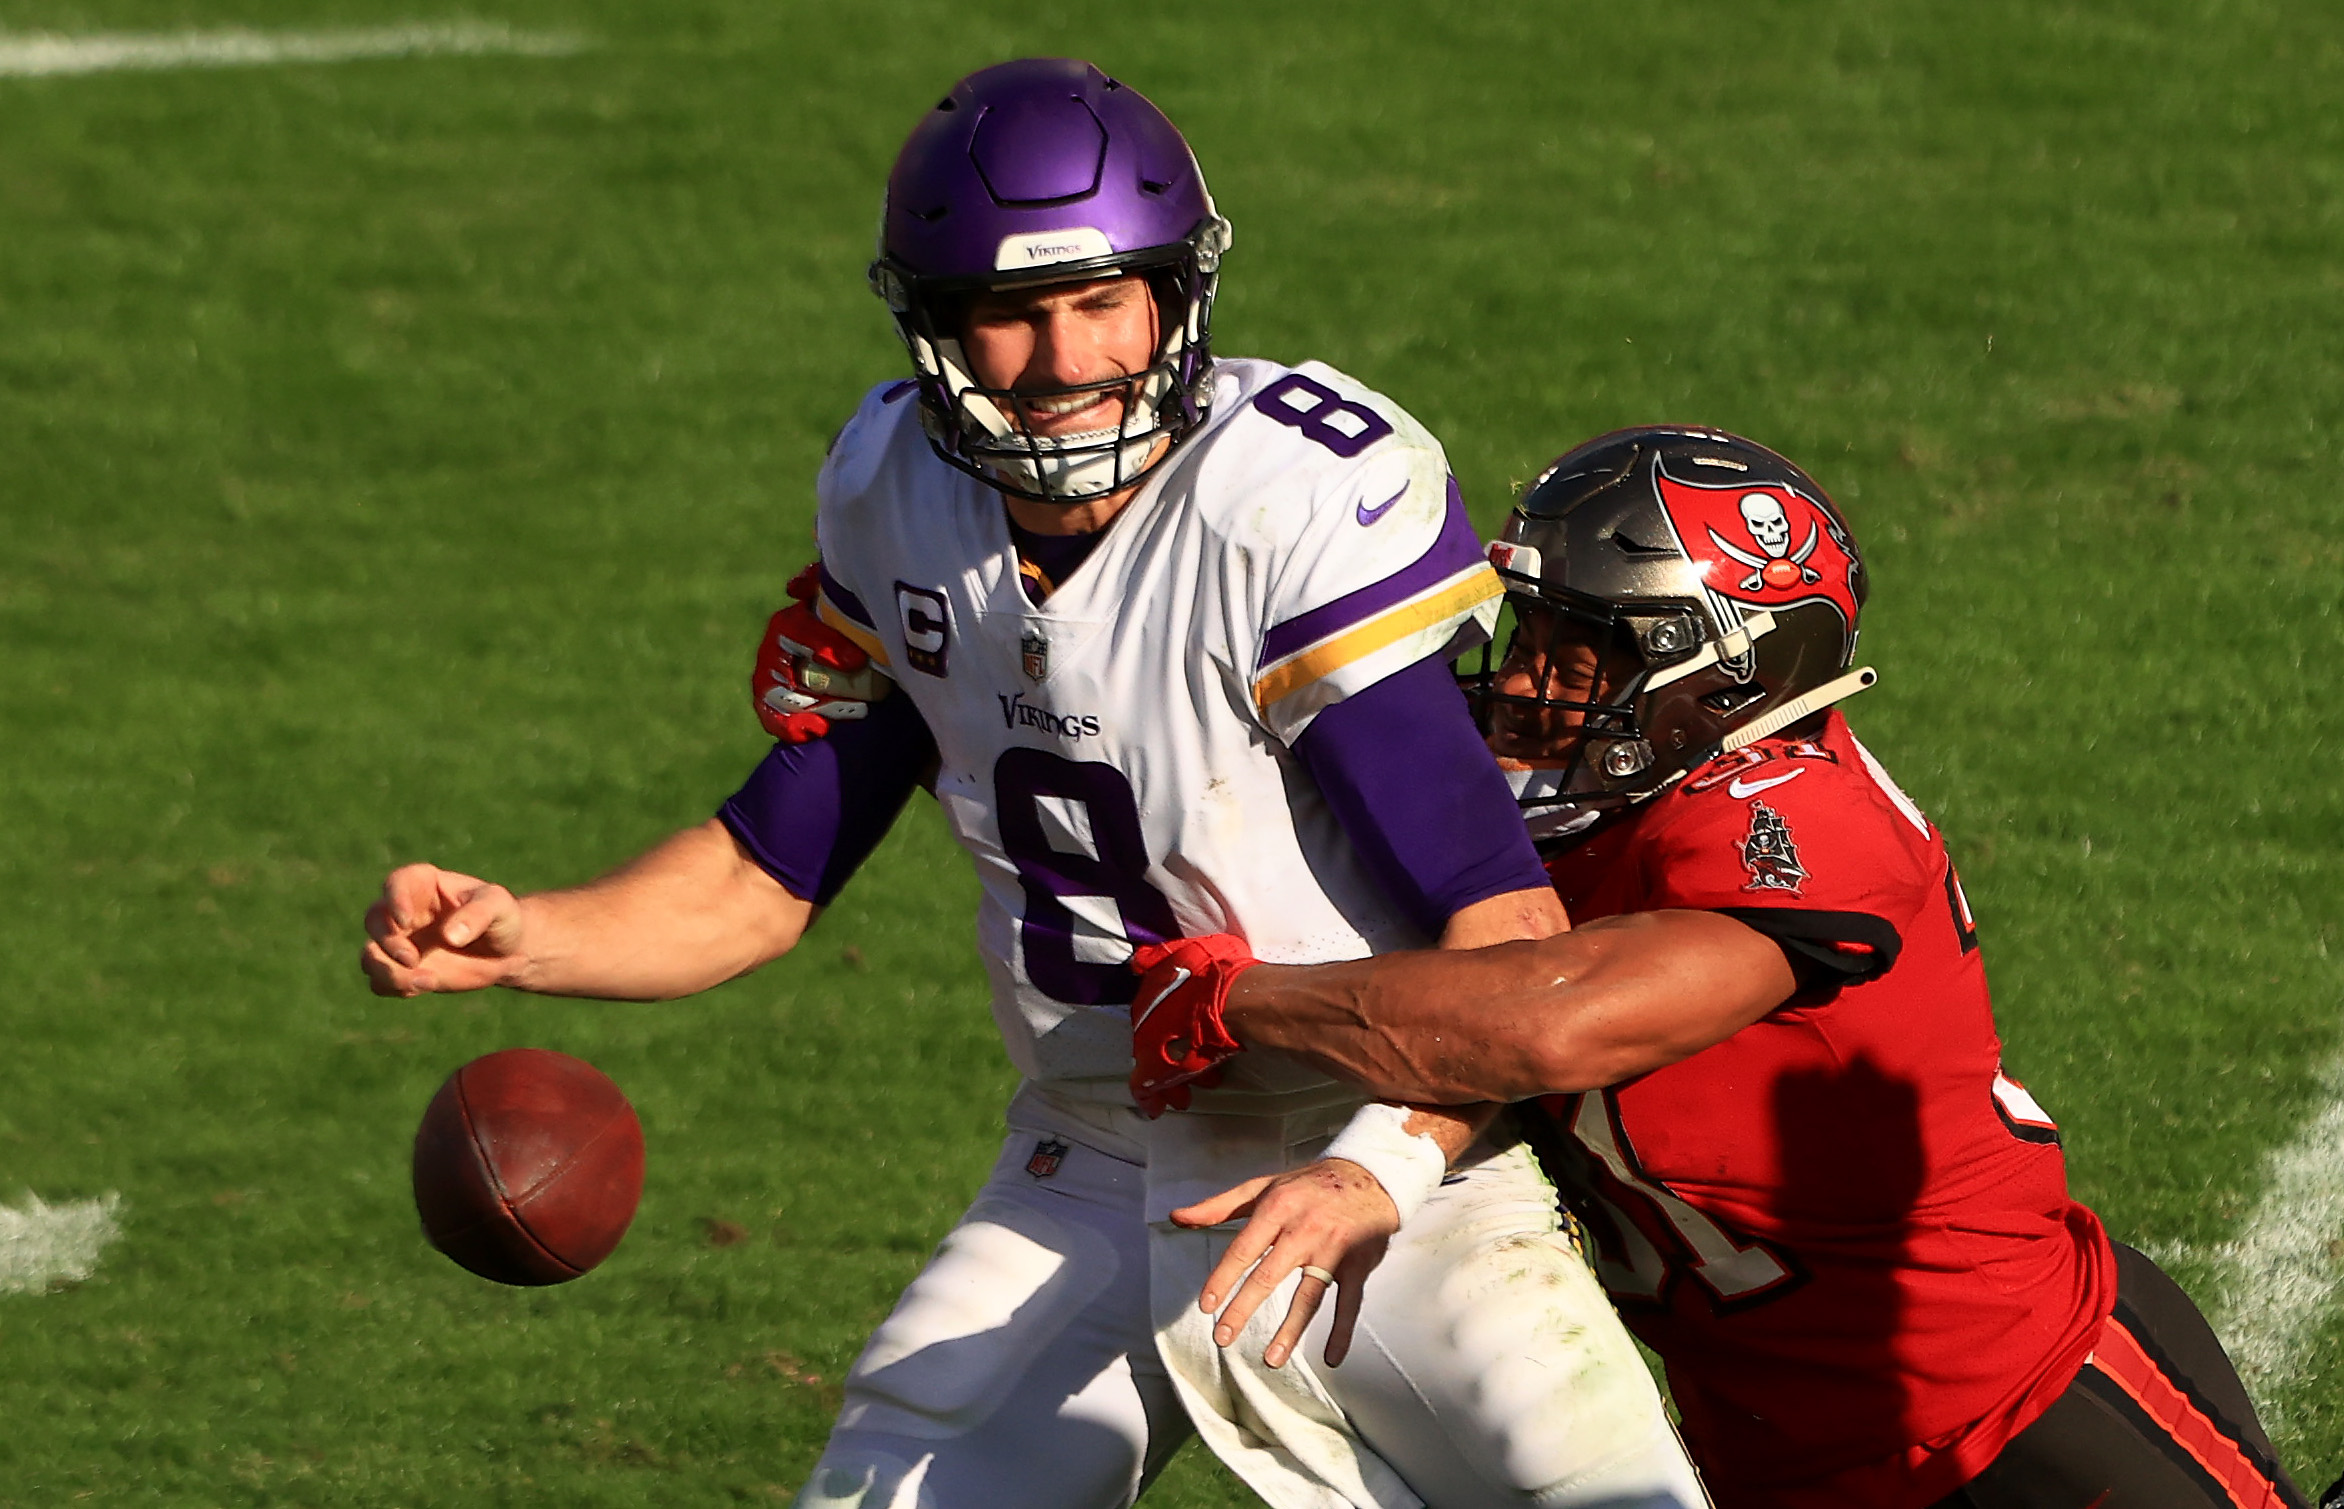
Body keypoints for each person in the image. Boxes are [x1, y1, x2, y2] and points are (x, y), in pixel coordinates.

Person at [362, 60, 1706, 1509]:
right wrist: (526, 935)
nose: (1064, 360)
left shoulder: (1290, 504)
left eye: (1100, 302)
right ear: (934, 328)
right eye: (1009, 314)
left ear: (1174, 298)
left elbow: (1506, 927)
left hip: (1384, 1149)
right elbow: (766, 873)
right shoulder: (897, 488)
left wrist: (1378, 1168)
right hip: (1093, 1157)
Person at [1128, 426, 2312, 1509]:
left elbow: (1545, 1024)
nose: (1527, 682)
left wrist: (1239, 1001)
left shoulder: (1796, 826)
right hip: (1764, 1447)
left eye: (1580, 653)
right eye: (1528, 633)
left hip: (2007, 1414)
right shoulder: (1580, 823)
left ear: (1726, 677)